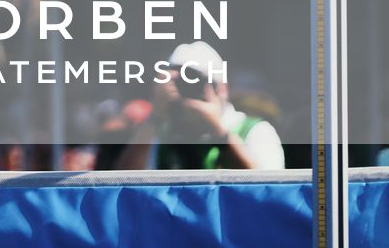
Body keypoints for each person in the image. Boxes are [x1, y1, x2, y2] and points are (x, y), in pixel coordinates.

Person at [115, 41, 285, 172]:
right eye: (181, 82)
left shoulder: (256, 131)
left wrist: (220, 133)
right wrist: (156, 115)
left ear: (222, 89)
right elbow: (124, 187)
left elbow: (269, 194)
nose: (188, 89)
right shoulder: (162, 132)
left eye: (197, 82)